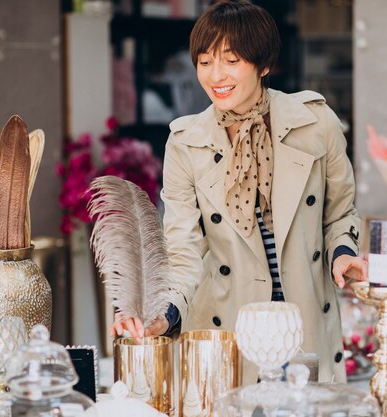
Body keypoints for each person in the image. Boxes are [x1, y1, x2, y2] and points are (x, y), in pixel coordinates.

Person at [112, 0, 367, 384]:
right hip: (228, 335)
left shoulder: (315, 123)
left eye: (231, 60)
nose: (216, 75)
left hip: (302, 327)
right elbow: (183, 251)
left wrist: (343, 254)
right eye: (205, 61)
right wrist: (162, 312)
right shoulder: (186, 143)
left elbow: (339, 215)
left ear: (263, 65)